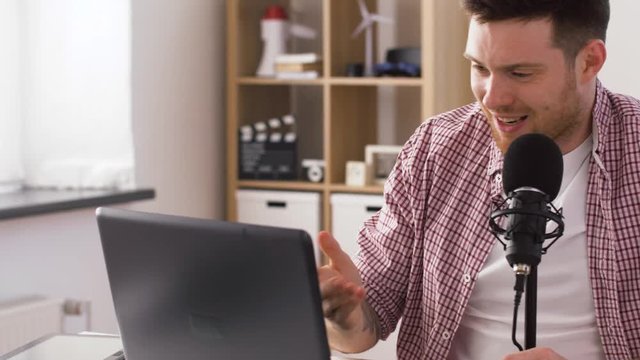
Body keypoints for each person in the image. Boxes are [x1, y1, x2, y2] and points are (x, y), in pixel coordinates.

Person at [317, 0, 640, 359]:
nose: (492, 97)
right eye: (479, 67)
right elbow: (362, 329)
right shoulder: (435, 149)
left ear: (589, 61)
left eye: (520, 73)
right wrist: (342, 314)